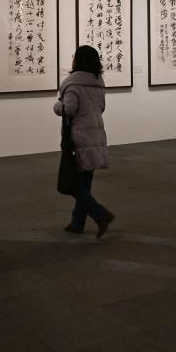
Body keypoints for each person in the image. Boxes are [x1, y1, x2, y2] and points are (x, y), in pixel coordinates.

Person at [53, 45, 115, 238]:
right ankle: (77, 222)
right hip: (95, 133)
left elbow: (69, 109)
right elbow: (101, 107)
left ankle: (100, 214)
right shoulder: (98, 82)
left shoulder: (73, 83)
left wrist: (57, 106)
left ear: (78, 60)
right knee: (85, 180)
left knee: (71, 182)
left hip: (79, 136)